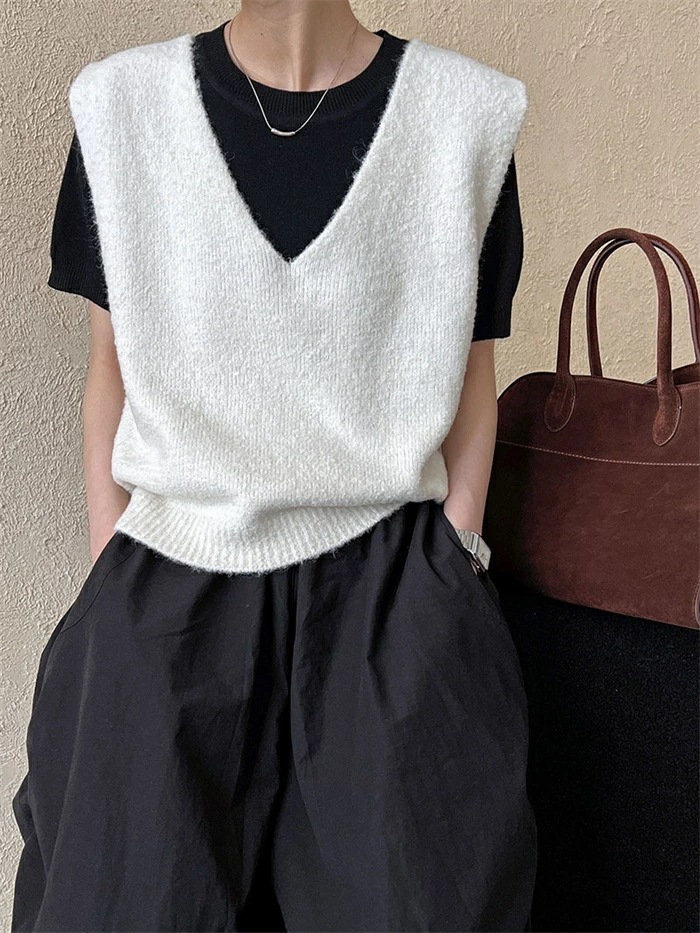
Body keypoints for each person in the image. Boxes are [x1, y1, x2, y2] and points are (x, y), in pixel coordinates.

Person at [11, 3, 537, 931]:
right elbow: (110, 370)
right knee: (126, 900)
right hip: (164, 593)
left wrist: (454, 560)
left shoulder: (465, 116)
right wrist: (114, 570)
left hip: (394, 595)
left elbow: (471, 374)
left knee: (414, 903)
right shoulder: (120, 107)